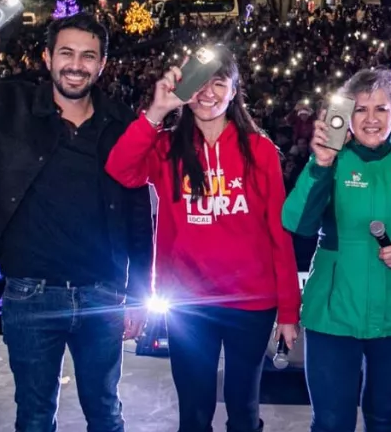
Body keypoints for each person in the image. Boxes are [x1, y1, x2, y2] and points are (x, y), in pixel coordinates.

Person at [0, 10, 153, 432]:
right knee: (35, 417)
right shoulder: (7, 103)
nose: (76, 65)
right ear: (46, 57)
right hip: (31, 295)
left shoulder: (121, 121)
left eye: (88, 56)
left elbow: (136, 212)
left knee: (106, 413)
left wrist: (139, 293)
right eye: (67, 53)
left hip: (103, 296)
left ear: (102, 64)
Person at [106, 46, 300, 432]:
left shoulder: (259, 150)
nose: (208, 93)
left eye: (219, 82)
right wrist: (157, 110)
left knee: (243, 410)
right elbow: (120, 169)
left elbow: (279, 233)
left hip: (251, 301)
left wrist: (288, 311)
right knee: (194, 413)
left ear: (234, 89)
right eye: (199, 84)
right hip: (188, 303)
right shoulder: (165, 148)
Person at [282, 67, 391, 432]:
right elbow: (297, 223)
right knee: (330, 422)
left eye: (381, 109)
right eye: (361, 109)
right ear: (346, 116)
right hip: (332, 313)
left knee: (385, 419)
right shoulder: (330, 161)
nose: (371, 119)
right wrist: (319, 164)